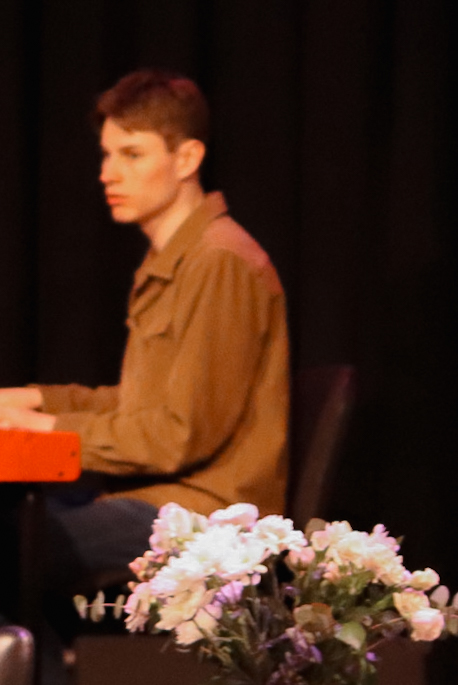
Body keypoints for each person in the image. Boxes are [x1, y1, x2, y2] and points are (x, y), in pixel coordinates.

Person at [0, 70, 291, 610]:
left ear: (186, 159)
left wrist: (45, 430)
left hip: (204, 516)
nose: (108, 173)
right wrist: (33, 401)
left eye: (132, 155)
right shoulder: (176, 258)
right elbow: (144, 404)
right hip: (156, 499)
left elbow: (178, 434)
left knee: (15, 546)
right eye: (107, 155)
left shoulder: (217, 261)